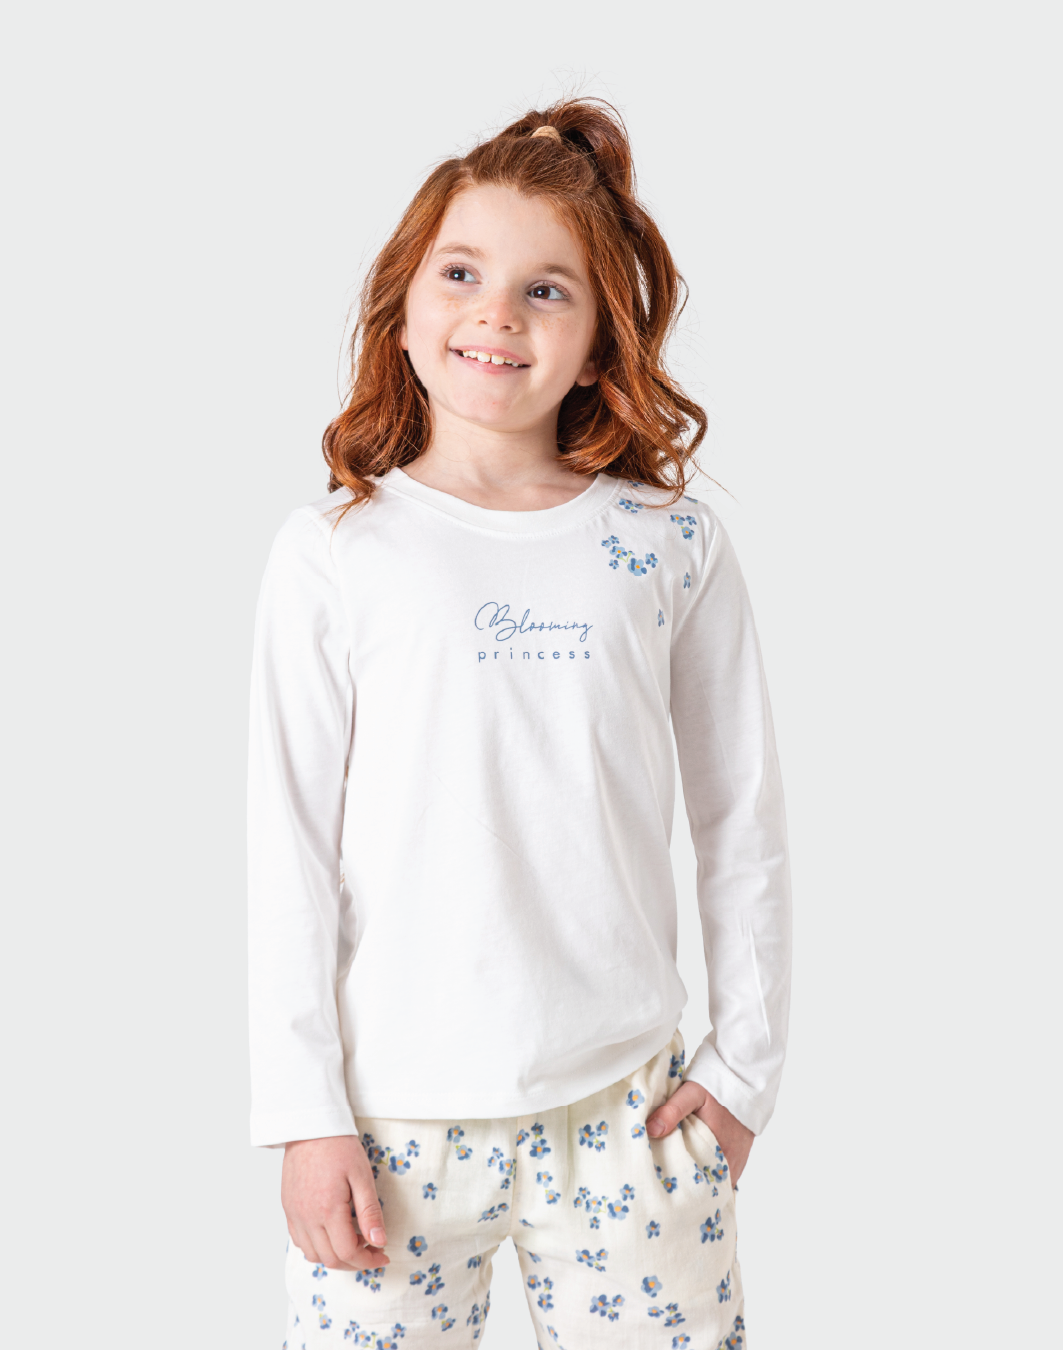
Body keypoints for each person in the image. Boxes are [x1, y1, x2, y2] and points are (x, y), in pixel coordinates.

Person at [248, 98, 791, 1350]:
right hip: (386, 1126)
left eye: (547, 290)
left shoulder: (667, 544)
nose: (496, 313)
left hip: (632, 1116)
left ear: (599, 345)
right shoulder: (336, 553)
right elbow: (288, 848)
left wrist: (743, 1073)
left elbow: (742, 817)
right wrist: (302, 1113)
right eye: (461, 274)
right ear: (404, 307)